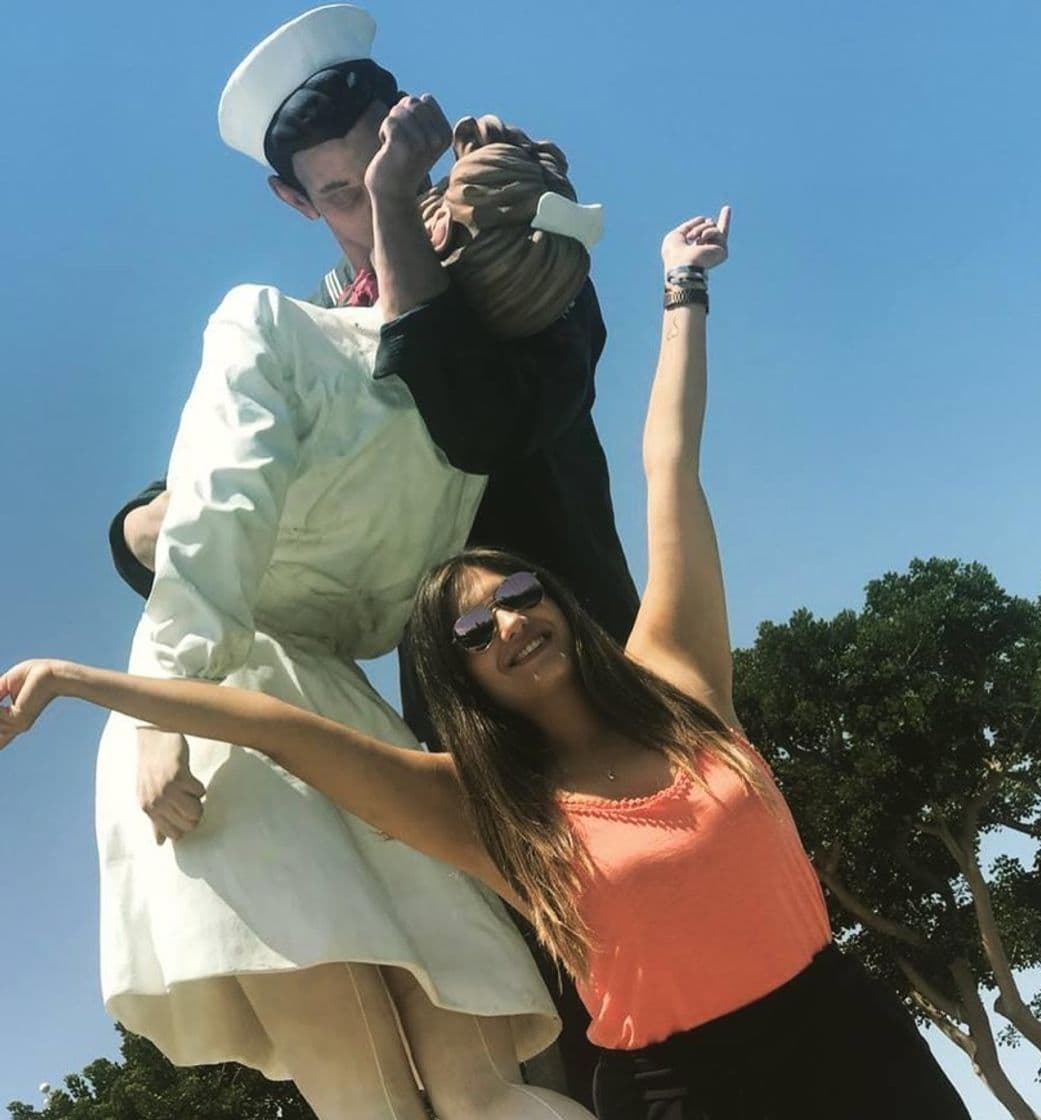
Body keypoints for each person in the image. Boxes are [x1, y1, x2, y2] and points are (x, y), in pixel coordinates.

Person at [3, 210, 971, 1118]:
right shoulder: (490, 814)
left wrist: (683, 292)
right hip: (685, 1091)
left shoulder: (678, 687)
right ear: (461, 678)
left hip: (850, 1042)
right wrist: (81, 682)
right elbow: (283, 732)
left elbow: (669, 463)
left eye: (517, 597)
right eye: (474, 635)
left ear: (552, 600)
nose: (507, 627)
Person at [113, 14, 634, 1097]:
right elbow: (220, 489)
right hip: (458, 707)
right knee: (555, 1010)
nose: (365, 206)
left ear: (422, 138)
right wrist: (134, 529)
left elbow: (483, 425)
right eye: (342, 194)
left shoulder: (515, 251)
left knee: (671, 958)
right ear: (294, 203)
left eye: (384, 171)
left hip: (583, 656)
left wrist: (406, 208)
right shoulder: (315, 332)